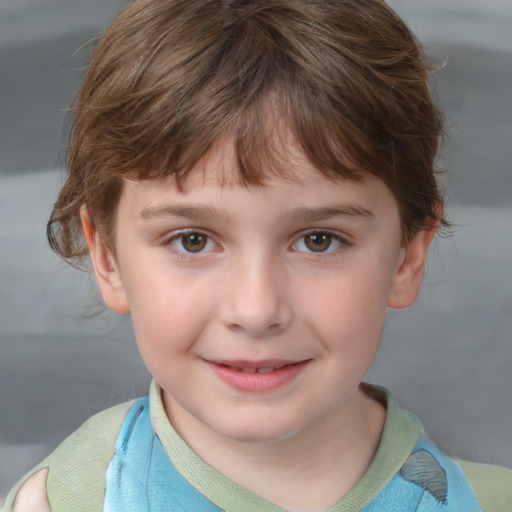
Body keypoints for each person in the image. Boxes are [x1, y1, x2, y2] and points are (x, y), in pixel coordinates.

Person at [4, 0, 511, 510]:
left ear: (407, 257)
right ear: (107, 256)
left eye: (318, 240)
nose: (256, 309)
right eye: (193, 240)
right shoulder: (59, 501)